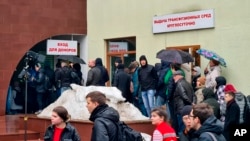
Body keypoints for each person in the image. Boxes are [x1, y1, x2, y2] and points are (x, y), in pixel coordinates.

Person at [172, 70, 194, 135]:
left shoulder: (179, 84)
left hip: (181, 109)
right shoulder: (188, 83)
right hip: (188, 109)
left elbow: (184, 95)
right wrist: (193, 103)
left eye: (174, 76)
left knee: (182, 127)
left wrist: (191, 103)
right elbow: (194, 95)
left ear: (179, 76)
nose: (173, 78)